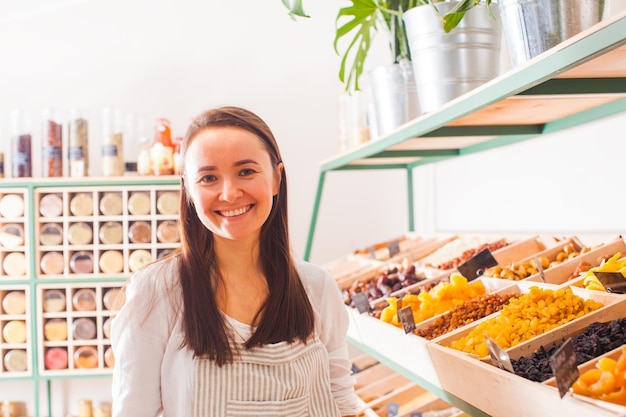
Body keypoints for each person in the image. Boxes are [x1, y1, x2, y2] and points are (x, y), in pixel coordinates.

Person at [111, 106, 359, 416]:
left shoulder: (316, 286)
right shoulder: (158, 290)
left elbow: (341, 399)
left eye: (246, 171)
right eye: (209, 177)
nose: (229, 194)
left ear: (276, 179)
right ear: (188, 189)